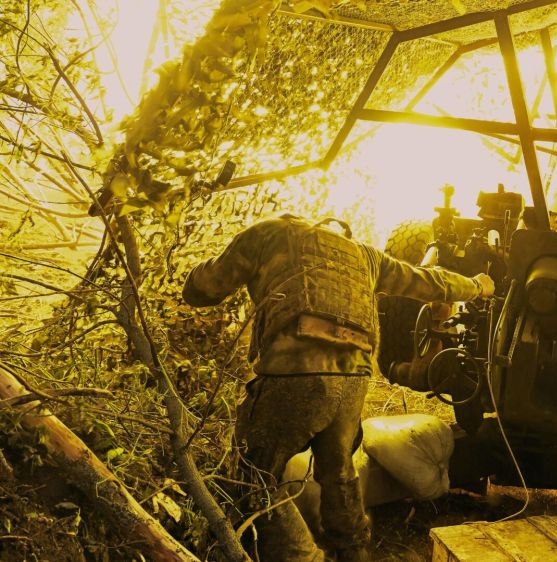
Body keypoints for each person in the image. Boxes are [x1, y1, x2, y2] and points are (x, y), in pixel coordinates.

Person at [182, 214, 494, 562]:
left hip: (294, 370)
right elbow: (430, 281)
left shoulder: (271, 232)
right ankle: (353, 553)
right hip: (353, 379)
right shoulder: (365, 255)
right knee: (339, 475)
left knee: (253, 478)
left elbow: (206, 287)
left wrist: (189, 279)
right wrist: (477, 285)